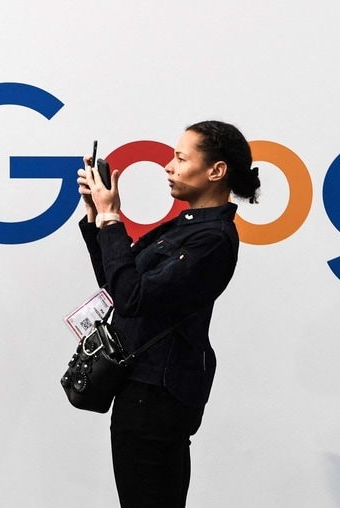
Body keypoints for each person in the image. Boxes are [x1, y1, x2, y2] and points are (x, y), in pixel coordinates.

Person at [77, 120, 261, 507]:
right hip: (142, 393)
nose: (168, 167)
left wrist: (113, 220)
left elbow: (133, 297)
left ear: (216, 171)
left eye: (180, 158)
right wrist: (98, 218)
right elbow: (118, 285)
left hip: (156, 399)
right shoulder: (184, 228)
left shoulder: (212, 240)